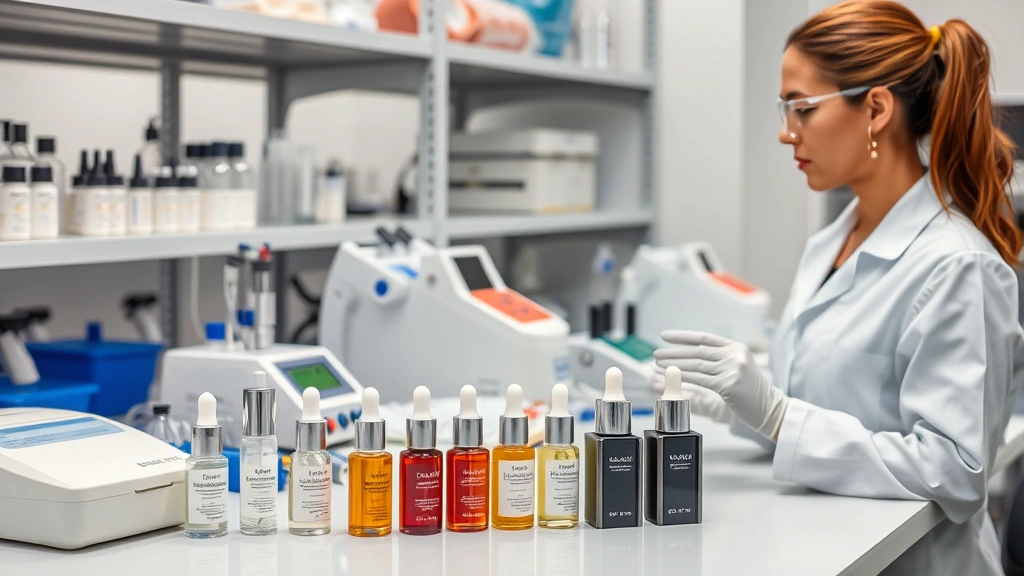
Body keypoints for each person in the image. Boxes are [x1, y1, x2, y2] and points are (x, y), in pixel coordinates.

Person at [654, 2, 1024, 575]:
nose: (785, 132)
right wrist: (741, 411)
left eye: (801, 108)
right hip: (824, 550)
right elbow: (825, 422)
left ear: (875, 108)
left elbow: (955, 470)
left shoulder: (958, 267)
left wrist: (778, 416)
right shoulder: (831, 242)